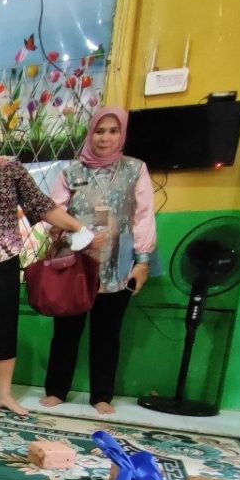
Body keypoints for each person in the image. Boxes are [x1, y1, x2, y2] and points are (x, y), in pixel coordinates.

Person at [0, 109, 89, 415]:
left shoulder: (10, 170)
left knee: (2, 328)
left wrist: (78, 227)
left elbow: (40, 205)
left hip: (2, 262)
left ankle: (5, 394)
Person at [40, 107, 157, 415]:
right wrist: (73, 238)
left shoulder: (135, 169)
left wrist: (142, 261)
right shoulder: (71, 173)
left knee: (108, 333)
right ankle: (56, 390)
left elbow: (143, 216)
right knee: (66, 332)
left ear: (122, 135)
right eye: (99, 131)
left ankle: (101, 395)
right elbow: (53, 215)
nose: (105, 138)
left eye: (113, 131)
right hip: (75, 264)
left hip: (118, 265)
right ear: (90, 134)